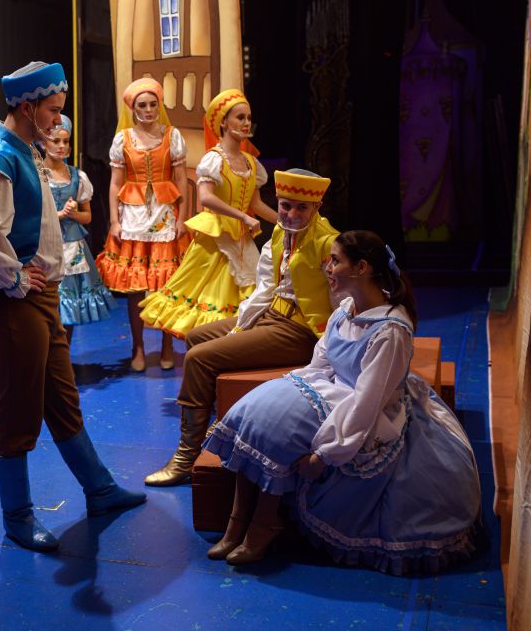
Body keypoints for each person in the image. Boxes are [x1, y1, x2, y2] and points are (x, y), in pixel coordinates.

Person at [202, 230, 481, 574]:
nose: (328, 268)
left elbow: (368, 401)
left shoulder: (390, 330)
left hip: (370, 412)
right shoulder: (345, 310)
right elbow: (320, 364)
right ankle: (237, 522)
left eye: (335, 261)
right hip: (333, 392)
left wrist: (326, 454)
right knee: (257, 415)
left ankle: (264, 523)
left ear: (361, 268)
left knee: (277, 431)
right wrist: (289, 392)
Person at [0, 61, 146, 552]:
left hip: (42, 295)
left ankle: (99, 489)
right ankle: (17, 516)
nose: (58, 120)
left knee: (62, 397)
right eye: (52, 110)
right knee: (19, 407)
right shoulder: (0, 159)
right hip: (15, 301)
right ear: (27, 107)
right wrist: (14, 276)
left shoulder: (27, 151)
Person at [144, 169, 339, 486]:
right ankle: (216, 424)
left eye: (301, 208)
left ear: (317, 207)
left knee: (199, 358)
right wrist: (241, 328)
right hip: (272, 315)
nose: (291, 214)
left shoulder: (328, 243)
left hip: (300, 330)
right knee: (196, 337)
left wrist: (329, 353)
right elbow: (265, 289)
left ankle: (186, 456)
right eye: (285, 205)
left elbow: (339, 301)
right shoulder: (281, 233)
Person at [140, 89, 278, 338]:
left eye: (248, 118)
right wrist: (242, 216)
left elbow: (256, 204)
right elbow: (206, 198)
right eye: (240, 117)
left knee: (247, 295)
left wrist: (284, 222)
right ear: (223, 122)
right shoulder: (214, 159)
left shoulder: (250, 163)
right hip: (216, 240)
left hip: (241, 240)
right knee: (211, 299)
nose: (246, 123)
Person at [95, 78, 190, 371]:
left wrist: (183, 218)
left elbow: (181, 179)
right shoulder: (123, 139)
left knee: (166, 285)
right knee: (135, 287)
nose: (148, 110)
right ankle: (137, 346)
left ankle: (166, 345)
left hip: (164, 215)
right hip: (133, 216)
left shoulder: (172, 136)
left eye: (152, 104)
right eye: (142, 105)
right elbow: (115, 183)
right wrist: (114, 220)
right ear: (133, 109)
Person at [42, 114, 116, 343]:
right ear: (44, 143)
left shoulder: (77, 176)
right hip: (46, 245)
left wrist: (73, 214)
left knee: (69, 307)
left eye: (65, 141)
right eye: (56, 141)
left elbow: (87, 217)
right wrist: (58, 214)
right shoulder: (37, 174)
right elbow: (31, 215)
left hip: (72, 246)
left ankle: (63, 354)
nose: (61, 146)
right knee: (47, 304)